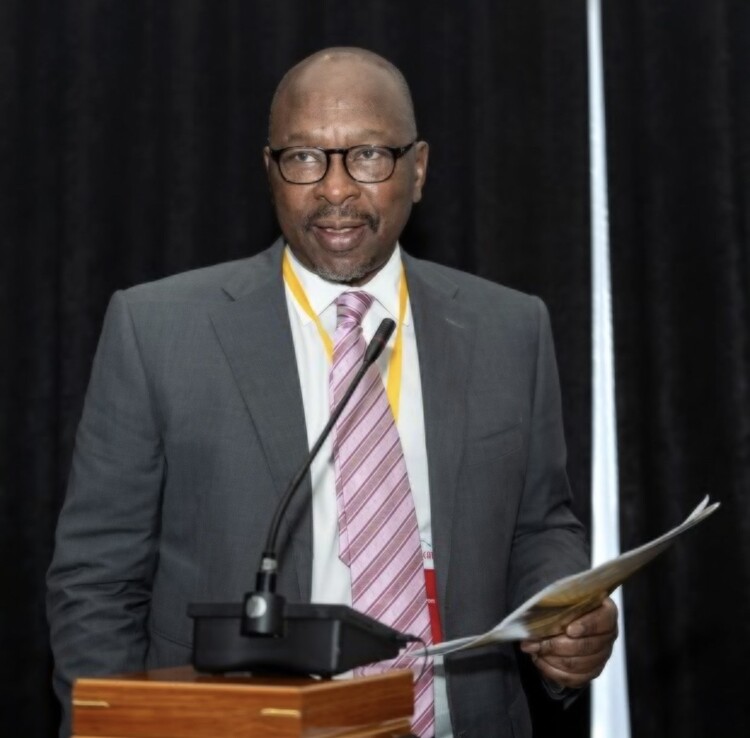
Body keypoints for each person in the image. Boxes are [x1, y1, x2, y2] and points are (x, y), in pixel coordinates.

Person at [47, 47, 618, 738]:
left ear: (418, 169)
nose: (336, 189)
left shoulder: (509, 329)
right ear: (270, 171)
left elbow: (539, 525)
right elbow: (97, 580)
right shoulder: (158, 329)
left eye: (369, 155)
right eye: (305, 158)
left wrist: (564, 620)